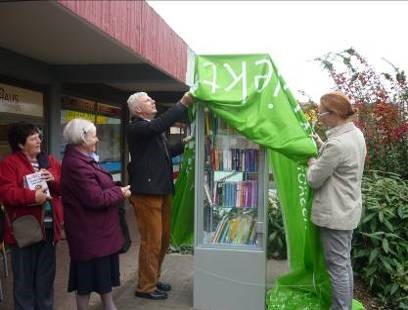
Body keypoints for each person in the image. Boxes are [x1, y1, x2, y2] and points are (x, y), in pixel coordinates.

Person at [127, 91, 194, 300]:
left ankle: (153, 278)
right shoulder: (137, 127)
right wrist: (183, 103)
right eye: (148, 100)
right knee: (152, 240)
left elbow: (167, 151)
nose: (153, 101)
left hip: (161, 190)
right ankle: (145, 287)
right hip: (147, 193)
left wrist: (186, 142)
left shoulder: (151, 129)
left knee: (163, 239)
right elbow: (159, 125)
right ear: (138, 109)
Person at [60, 118, 131, 310]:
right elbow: (95, 198)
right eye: (94, 136)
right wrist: (120, 192)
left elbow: (99, 189)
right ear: (83, 140)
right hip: (89, 234)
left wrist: (116, 189)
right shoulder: (77, 164)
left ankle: (109, 305)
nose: (97, 139)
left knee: (102, 276)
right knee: (86, 280)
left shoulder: (84, 159)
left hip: (98, 233)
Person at [307, 91, 367, 310]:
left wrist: (312, 162)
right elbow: (341, 157)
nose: (319, 116)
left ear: (333, 114)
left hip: (335, 214)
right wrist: (322, 144)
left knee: (337, 266)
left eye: (322, 112)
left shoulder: (337, 145)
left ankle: (341, 308)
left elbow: (314, 179)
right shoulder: (355, 134)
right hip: (348, 210)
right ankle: (344, 306)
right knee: (343, 263)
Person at [0, 121, 63, 310]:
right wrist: (31, 196)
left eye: (38, 136)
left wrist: (55, 179)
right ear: (20, 144)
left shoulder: (49, 160)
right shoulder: (9, 163)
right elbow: (6, 193)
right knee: (24, 281)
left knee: (45, 280)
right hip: (24, 230)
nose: (38, 141)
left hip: (50, 228)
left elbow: (63, 189)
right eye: (32, 138)